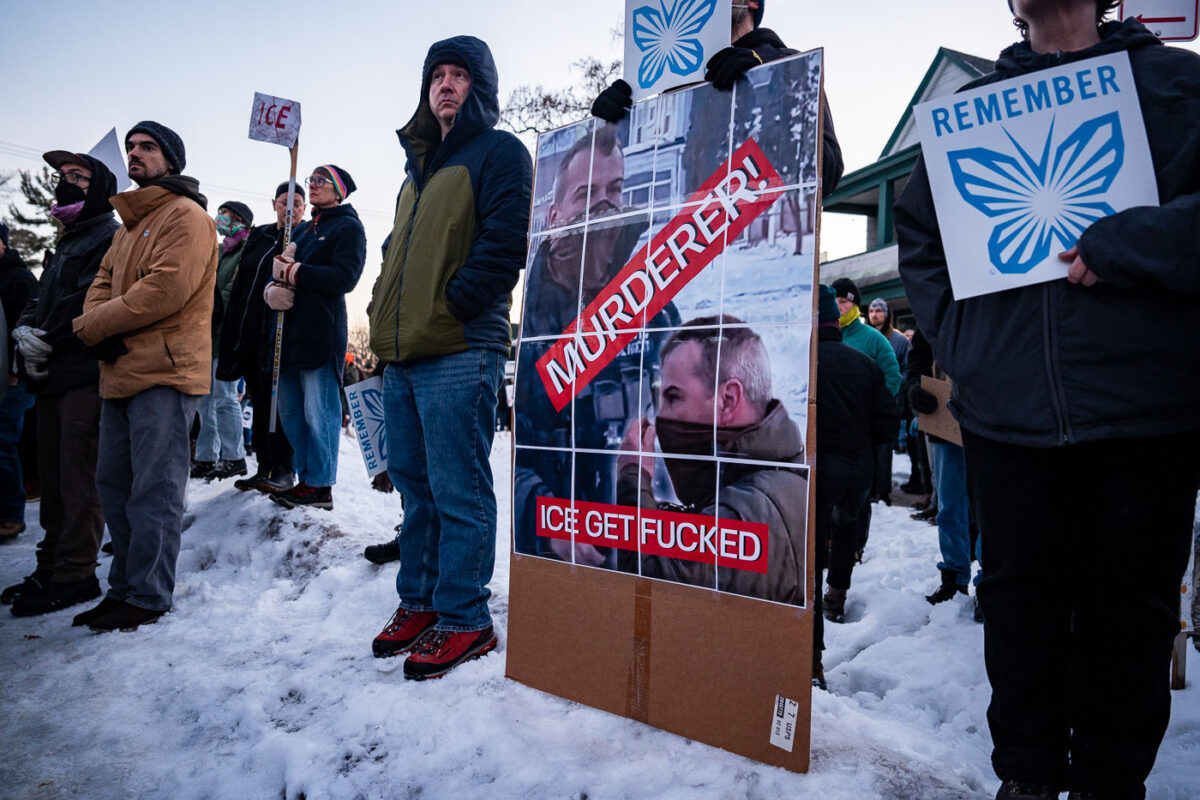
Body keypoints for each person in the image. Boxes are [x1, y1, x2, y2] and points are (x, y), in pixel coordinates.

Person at [896, 4, 1200, 798]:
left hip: (1146, 412)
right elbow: (923, 243)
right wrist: (966, 347)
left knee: (1129, 622)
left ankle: (1111, 785)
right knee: (1020, 612)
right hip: (1009, 418)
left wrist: (1130, 242)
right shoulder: (965, 119)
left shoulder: (1176, 82)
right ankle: (1025, 782)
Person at [368, 35, 531, 680]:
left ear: (478, 87)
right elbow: (393, 257)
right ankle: (421, 601)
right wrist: (388, 320)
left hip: (462, 346)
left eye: (458, 75)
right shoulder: (419, 171)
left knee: (459, 486)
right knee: (415, 486)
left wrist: (452, 304)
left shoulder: (500, 152)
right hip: (405, 354)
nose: (444, 85)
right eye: (436, 74)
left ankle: (465, 616)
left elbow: (504, 244)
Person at [71, 121, 218, 632]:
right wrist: (96, 327)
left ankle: (149, 595)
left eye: (147, 147)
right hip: (120, 371)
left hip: (165, 372)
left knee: (154, 491)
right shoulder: (128, 228)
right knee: (114, 485)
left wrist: (94, 326)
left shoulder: (188, 217)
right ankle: (122, 590)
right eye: (132, 146)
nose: (135, 153)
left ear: (170, 160)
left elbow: (164, 290)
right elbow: (102, 284)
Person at [512, 126, 679, 568]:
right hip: (559, 558)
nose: (605, 204)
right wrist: (549, 524)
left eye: (615, 189)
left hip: (648, 548)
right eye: (586, 193)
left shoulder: (654, 302)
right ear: (555, 213)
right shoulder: (535, 315)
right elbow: (516, 460)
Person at [615, 316, 809, 606]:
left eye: (673, 396)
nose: (661, 415)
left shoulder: (750, 509)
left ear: (728, 400)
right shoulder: (767, 476)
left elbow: (653, 589)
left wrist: (633, 478)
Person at [2, 151, 118, 616]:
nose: (66, 184)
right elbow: (42, 296)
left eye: (78, 177)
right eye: (63, 176)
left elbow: (87, 299)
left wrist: (46, 336)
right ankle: (50, 565)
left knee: (77, 479)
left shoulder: (108, 236)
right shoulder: (68, 238)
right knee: (51, 478)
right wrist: (24, 329)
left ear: (100, 188)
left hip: (82, 373)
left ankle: (76, 574)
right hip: (50, 376)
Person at [591, 0, 843, 198]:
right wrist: (613, 130)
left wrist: (764, 78)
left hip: (747, 240)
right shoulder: (669, 87)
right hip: (687, 250)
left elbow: (828, 173)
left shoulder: (789, 65)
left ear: (752, 1)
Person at [264, 165, 365, 510]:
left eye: (322, 181)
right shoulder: (304, 230)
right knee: (291, 411)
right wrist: (275, 286)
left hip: (320, 332)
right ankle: (305, 478)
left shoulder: (348, 227)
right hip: (290, 333)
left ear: (339, 190)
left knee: (318, 411)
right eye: (313, 180)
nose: (315, 185)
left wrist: (297, 273)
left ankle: (321, 484)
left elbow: (344, 277)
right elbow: (283, 273)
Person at [811, 285, 896, 680]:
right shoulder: (866, 365)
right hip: (856, 470)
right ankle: (837, 595)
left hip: (815, 471)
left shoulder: (805, 363)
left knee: (810, 552)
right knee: (845, 531)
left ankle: (811, 652)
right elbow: (886, 425)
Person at [216, 182, 305, 494]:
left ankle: (283, 468)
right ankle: (264, 466)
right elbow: (242, 282)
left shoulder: (302, 237)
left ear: (303, 209)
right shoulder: (261, 235)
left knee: (280, 405)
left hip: (282, 334)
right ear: (274, 204)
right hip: (251, 330)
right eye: (283, 202)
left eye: (296, 203)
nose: (289, 208)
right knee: (259, 402)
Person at [905, 328, 980, 615]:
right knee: (949, 504)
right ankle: (954, 577)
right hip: (944, 412)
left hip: (990, 414)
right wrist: (914, 386)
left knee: (989, 505)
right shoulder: (935, 301)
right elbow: (919, 357)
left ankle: (989, 582)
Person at [192, 201, 253, 481]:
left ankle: (234, 456)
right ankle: (206, 456)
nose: (221, 218)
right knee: (205, 401)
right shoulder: (217, 251)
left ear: (240, 220)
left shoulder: (244, 251)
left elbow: (232, 291)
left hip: (226, 334)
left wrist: (208, 307)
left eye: (227, 214)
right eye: (221, 213)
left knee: (225, 398)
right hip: (206, 334)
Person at [0, 221, 37, 542]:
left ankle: (11, 515)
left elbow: (28, 327)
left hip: (14, 380)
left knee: (3, 442)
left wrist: (15, 371)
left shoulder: (19, 279)